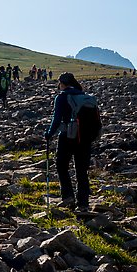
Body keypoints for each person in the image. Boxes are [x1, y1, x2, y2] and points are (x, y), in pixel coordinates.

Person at [43, 72, 92, 211]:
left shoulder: (61, 97)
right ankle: (83, 203)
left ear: (62, 83)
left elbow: (56, 119)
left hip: (67, 136)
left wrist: (49, 134)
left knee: (62, 165)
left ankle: (68, 196)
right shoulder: (84, 97)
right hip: (85, 137)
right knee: (81, 170)